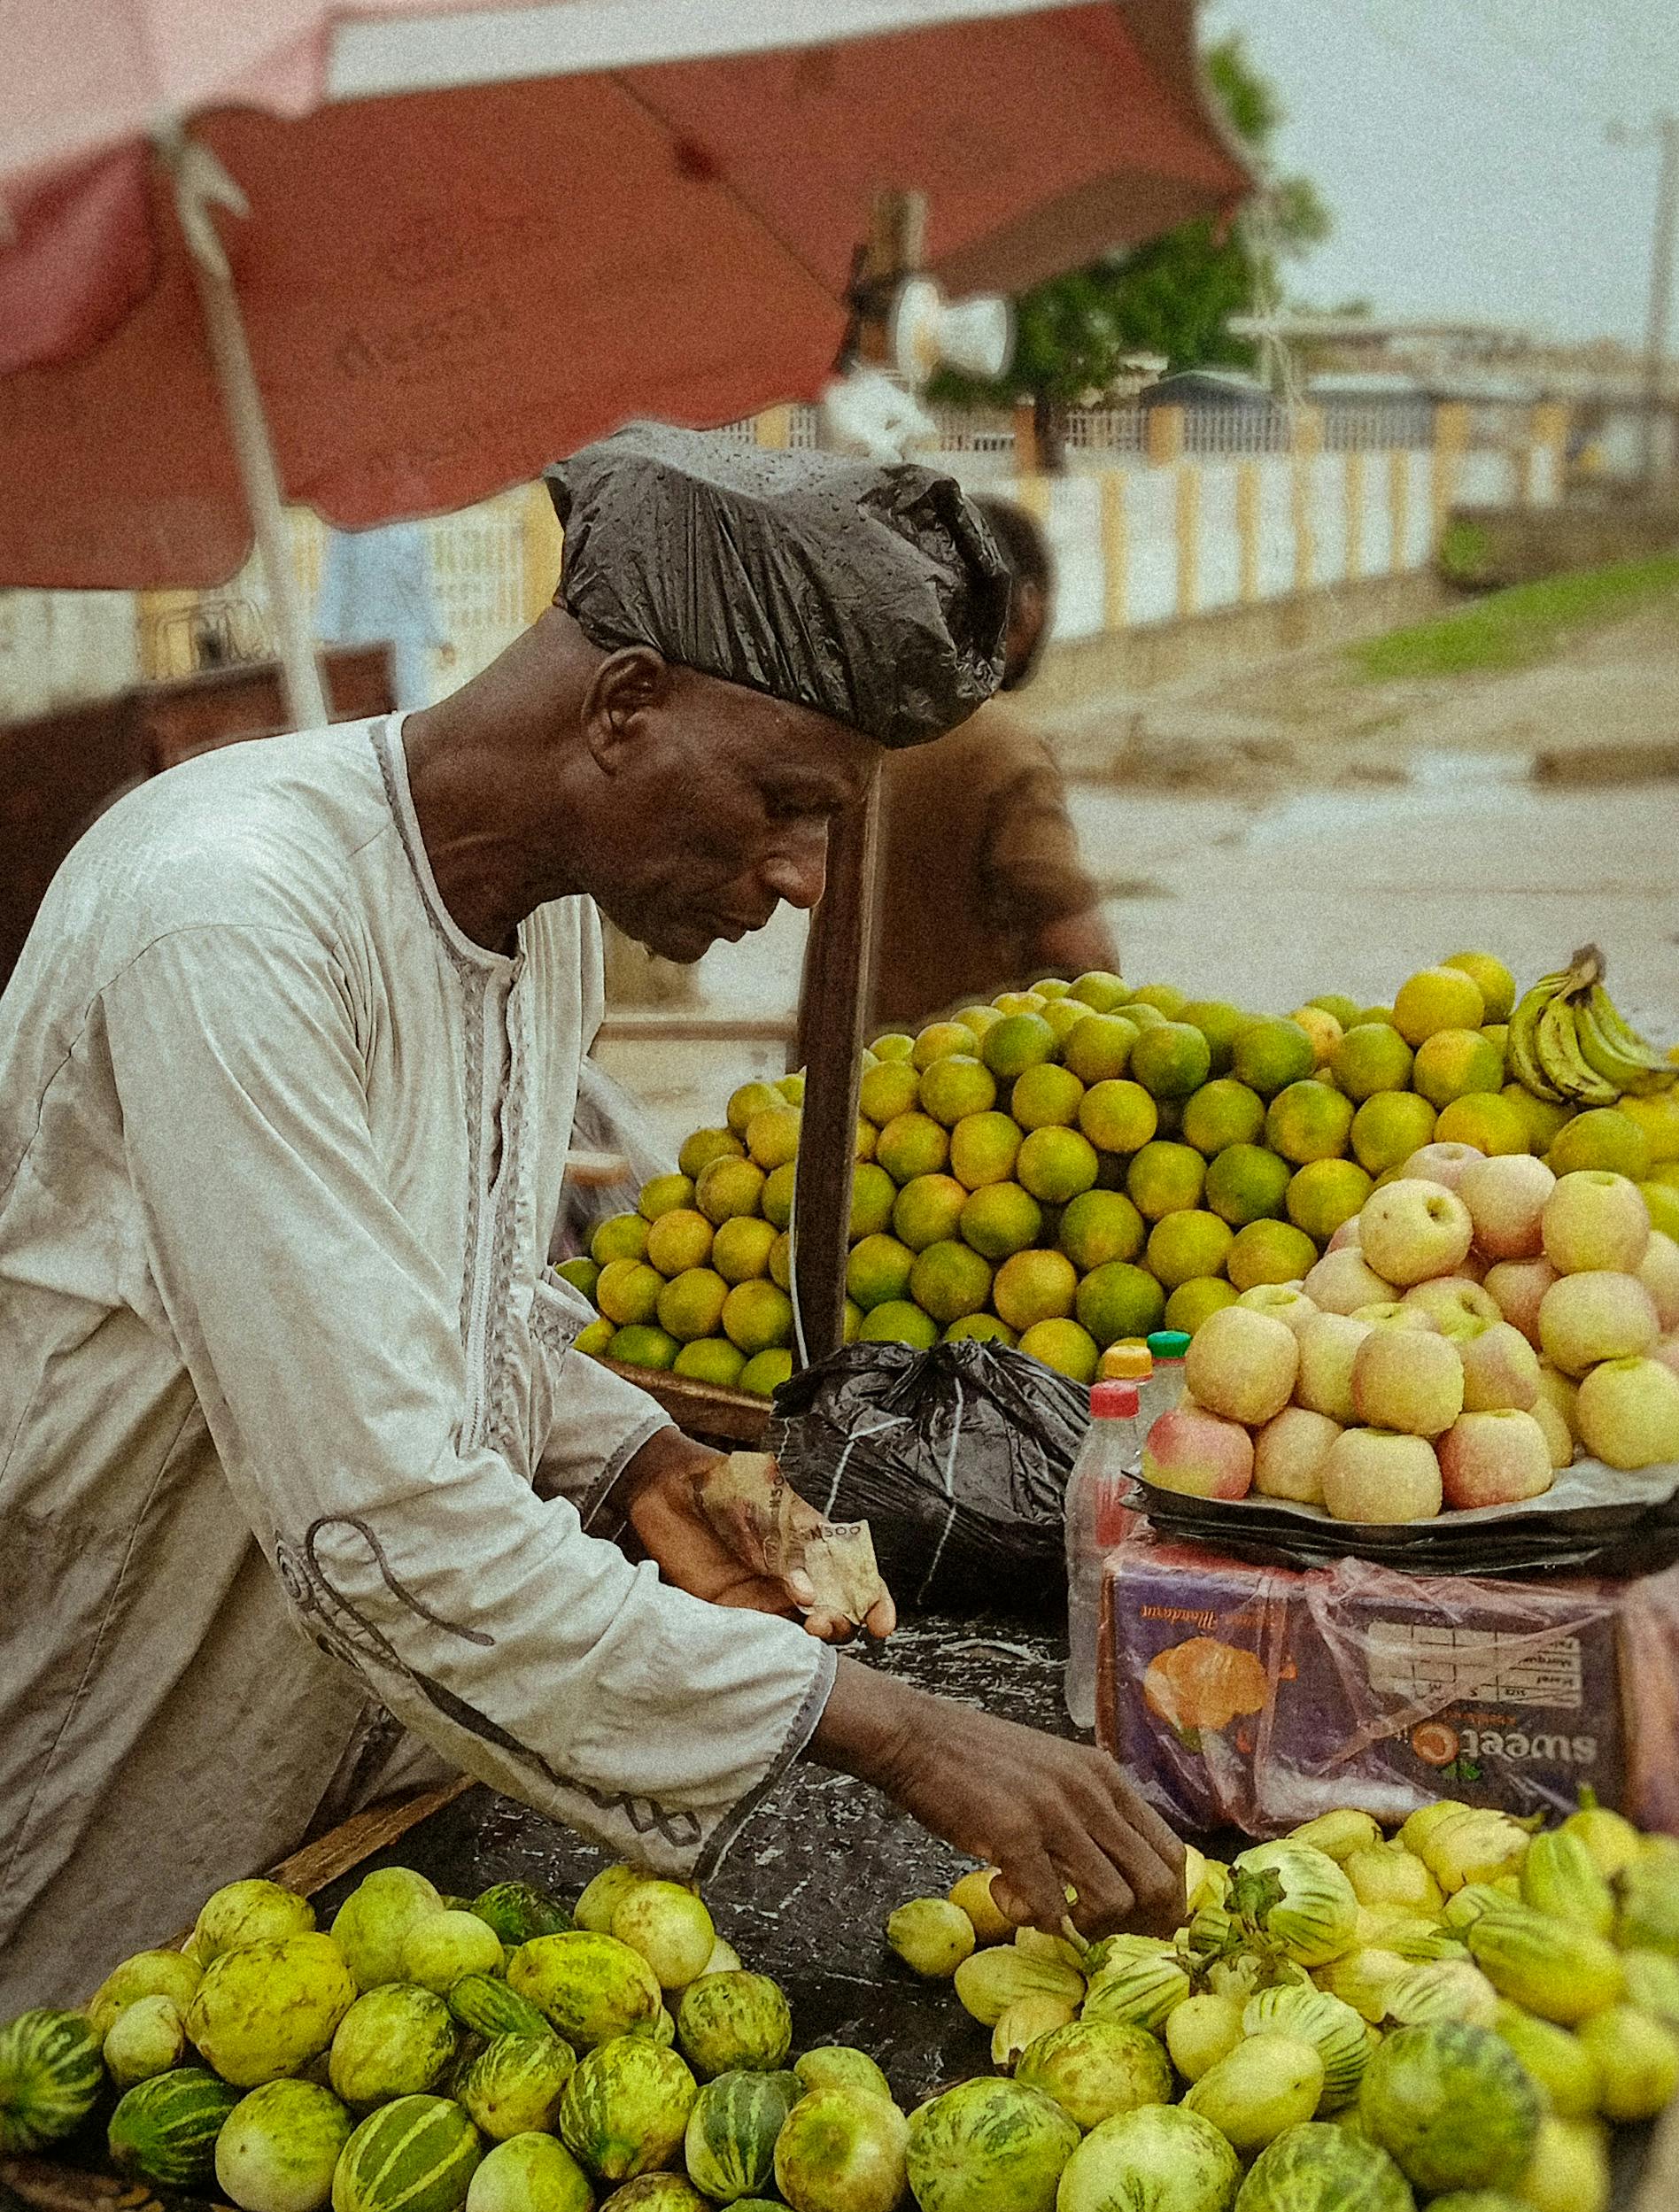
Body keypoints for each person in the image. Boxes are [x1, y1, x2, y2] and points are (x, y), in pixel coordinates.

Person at [0, 427, 1180, 2006]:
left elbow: (455, 1303)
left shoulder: (540, 919)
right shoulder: (227, 921)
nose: (807, 879)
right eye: (786, 802)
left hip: (348, 1824)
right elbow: (386, 1524)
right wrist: (893, 1731)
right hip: (102, 1822)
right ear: (628, 705)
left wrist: (652, 1461)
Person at [870, 493, 1118, 1028]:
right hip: (949, 1091)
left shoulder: (868, 729)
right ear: (1026, 606)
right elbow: (1087, 962)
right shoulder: (1000, 749)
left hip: (839, 1077)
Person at [315, 521, 453, 709]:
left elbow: (422, 589)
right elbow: (336, 581)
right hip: (359, 637)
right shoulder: (347, 527)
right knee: (364, 709)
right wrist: (328, 635)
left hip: (406, 639)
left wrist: (440, 638)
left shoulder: (412, 529)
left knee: (411, 709)